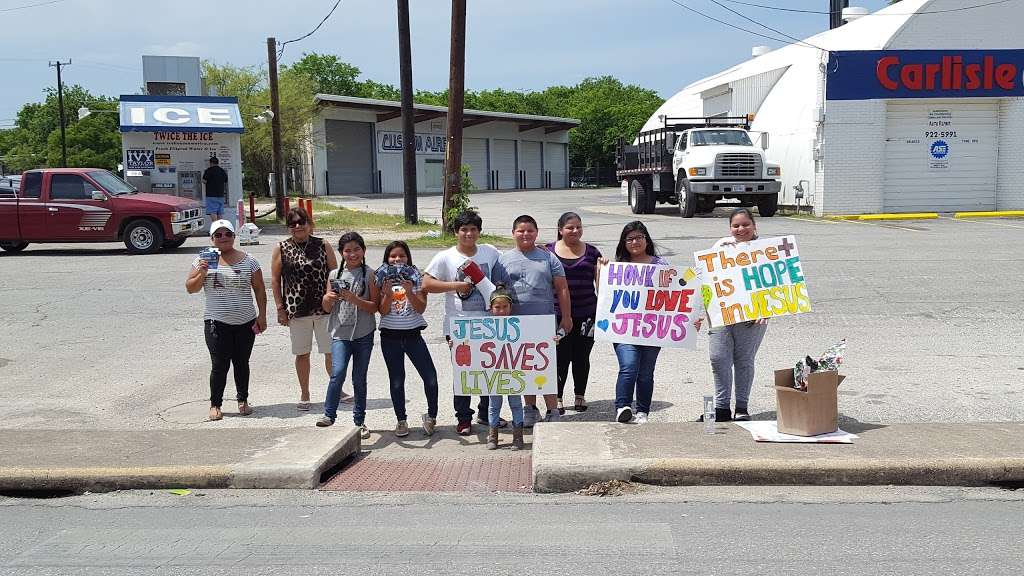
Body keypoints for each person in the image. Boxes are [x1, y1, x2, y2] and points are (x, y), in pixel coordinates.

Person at [422, 210, 505, 435]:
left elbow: (504, 273)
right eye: (464, 229)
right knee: (463, 372)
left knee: (489, 369)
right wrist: (455, 286)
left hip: (489, 323)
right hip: (458, 325)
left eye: (473, 229)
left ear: (479, 231)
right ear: (456, 232)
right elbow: (426, 283)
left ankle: (488, 413)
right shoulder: (445, 256)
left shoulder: (490, 252)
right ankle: (463, 418)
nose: (469, 234)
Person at [185, 219, 267, 421]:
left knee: (241, 362)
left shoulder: (249, 260)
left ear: (234, 236)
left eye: (227, 234)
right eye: (218, 235)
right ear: (212, 239)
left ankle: (243, 400)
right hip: (216, 321)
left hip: (245, 321)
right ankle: (215, 404)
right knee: (219, 364)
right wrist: (203, 272)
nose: (223, 238)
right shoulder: (203, 260)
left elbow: (259, 288)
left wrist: (262, 315)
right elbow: (191, 288)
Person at [271, 206, 351, 411]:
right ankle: (305, 392)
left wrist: (332, 298)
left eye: (301, 222)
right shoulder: (281, 247)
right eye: (292, 223)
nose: (297, 226)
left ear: (309, 224)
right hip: (296, 309)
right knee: (302, 353)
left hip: (324, 308)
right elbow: (275, 279)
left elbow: (334, 273)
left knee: (331, 352)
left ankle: (337, 389)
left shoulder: (323, 244)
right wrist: (280, 308)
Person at [499, 214, 572, 426]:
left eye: (530, 230)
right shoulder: (503, 260)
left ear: (537, 233)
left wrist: (566, 317)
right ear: (513, 233)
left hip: (544, 323)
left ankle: (552, 410)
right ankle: (529, 408)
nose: (525, 234)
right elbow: (496, 294)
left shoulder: (548, 258)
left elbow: (562, 288)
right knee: (523, 367)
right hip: (515, 324)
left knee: (546, 367)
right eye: (520, 231)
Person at [698, 208, 769, 423]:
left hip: (752, 315)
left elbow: (774, 284)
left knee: (744, 360)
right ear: (730, 228)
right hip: (721, 313)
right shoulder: (721, 246)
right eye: (736, 225)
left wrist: (767, 310)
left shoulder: (766, 251)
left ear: (754, 226)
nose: (741, 229)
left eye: (745, 224)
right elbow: (706, 277)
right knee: (718, 358)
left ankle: (741, 407)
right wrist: (701, 312)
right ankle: (721, 408)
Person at [317, 232, 379, 440]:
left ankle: (359, 421)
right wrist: (328, 297)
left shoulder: (370, 274)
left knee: (359, 378)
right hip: (340, 333)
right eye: (347, 250)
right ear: (341, 253)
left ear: (363, 250)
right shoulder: (334, 274)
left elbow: (374, 307)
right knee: (338, 372)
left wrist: (354, 299)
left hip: (363, 333)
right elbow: (326, 307)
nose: (352, 254)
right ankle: (329, 414)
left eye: (356, 249)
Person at [545, 212, 606, 414]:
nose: (575, 231)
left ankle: (580, 395)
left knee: (582, 357)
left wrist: (605, 268)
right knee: (560, 357)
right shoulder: (547, 251)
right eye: (570, 227)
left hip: (587, 314)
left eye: (579, 227)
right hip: (557, 314)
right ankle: (558, 396)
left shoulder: (592, 252)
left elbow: (602, 284)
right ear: (560, 229)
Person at [377, 241, 439, 437]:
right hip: (390, 336)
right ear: (387, 258)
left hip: (413, 335)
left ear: (408, 258)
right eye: (393, 256)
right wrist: (387, 294)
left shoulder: (416, 278)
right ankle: (401, 420)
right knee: (396, 381)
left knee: (430, 378)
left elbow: (420, 308)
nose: (397, 260)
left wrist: (410, 291)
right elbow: (383, 311)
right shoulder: (382, 278)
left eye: (402, 256)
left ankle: (431, 416)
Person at [611, 221, 668, 425]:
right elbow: (605, 297)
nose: (635, 242)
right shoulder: (617, 268)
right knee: (629, 366)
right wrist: (601, 271)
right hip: (624, 328)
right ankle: (623, 407)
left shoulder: (661, 266)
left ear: (646, 239)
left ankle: (643, 410)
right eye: (630, 239)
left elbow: (675, 297)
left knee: (646, 372)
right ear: (624, 243)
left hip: (652, 329)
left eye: (639, 237)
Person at [484, 285, 525, 450]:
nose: (501, 311)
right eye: (497, 307)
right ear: (491, 308)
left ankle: (518, 436)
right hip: (494, 373)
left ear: (511, 307)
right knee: (494, 405)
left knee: (516, 403)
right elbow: (470, 344)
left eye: (504, 307)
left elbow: (535, 339)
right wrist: (457, 343)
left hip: (514, 372)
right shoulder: (483, 326)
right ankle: (492, 436)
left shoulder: (521, 325)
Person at [202, 156, 228, 222]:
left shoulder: (208, 170)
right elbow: (225, 180)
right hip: (221, 195)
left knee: (213, 212)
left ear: (211, 163)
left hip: (211, 195)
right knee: (220, 213)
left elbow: (204, 181)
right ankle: (219, 228)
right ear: (217, 163)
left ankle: (215, 228)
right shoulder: (222, 171)